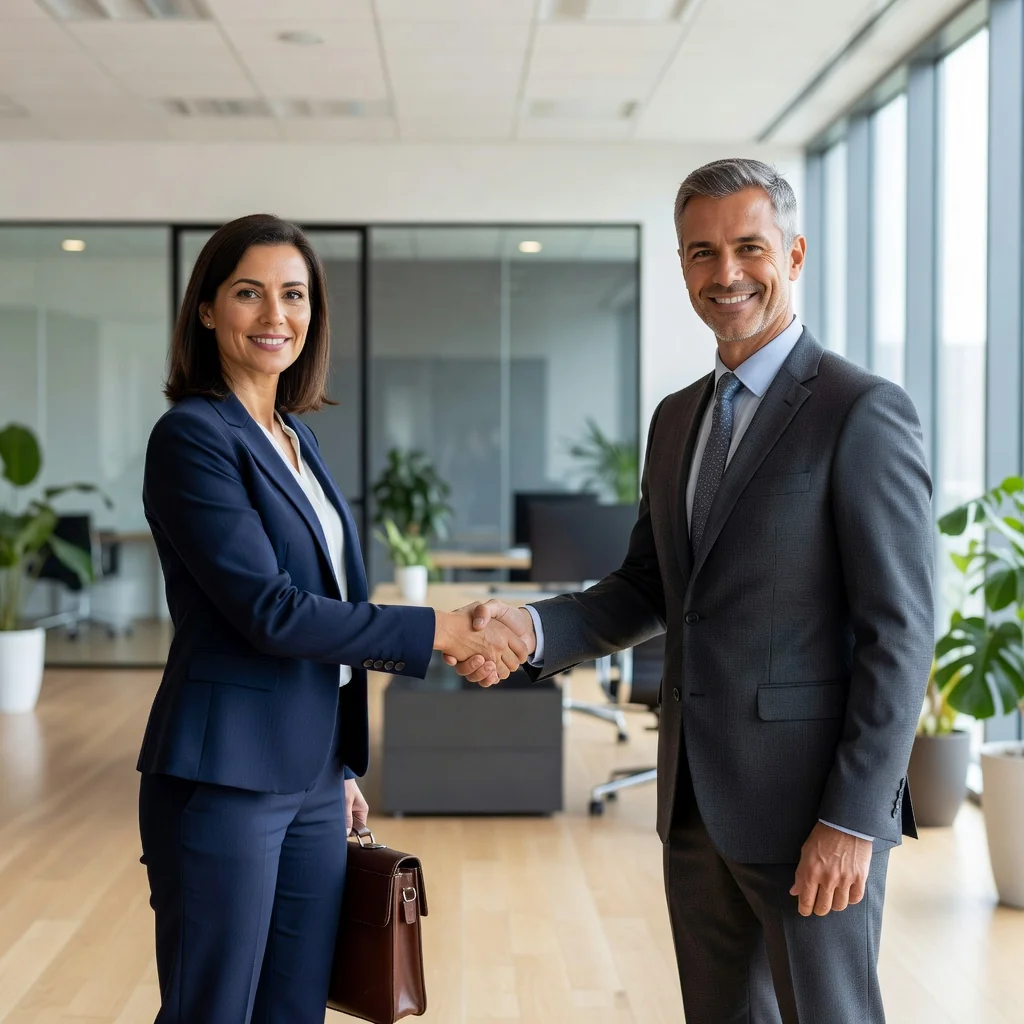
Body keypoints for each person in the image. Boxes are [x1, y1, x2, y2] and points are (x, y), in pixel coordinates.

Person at [450, 159, 934, 1023]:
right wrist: (530, 628)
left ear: (794, 256)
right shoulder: (679, 418)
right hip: (694, 807)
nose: (726, 274)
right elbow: (649, 586)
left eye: (749, 248)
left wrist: (853, 821)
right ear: (681, 266)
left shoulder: (860, 410)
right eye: (701, 253)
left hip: (812, 816)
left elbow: (900, 634)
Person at [137, 213, 527, 1024]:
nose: (275, 315)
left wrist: (340, 766)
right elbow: (271, 613)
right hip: (225, 777)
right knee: (213, 1008)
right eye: (249, 293)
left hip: (313, 777)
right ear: (207, 309)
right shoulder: (192, 439)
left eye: (293, 295)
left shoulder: (295, 437)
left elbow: (333, 604)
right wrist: (439, 630)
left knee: (295, 1007)